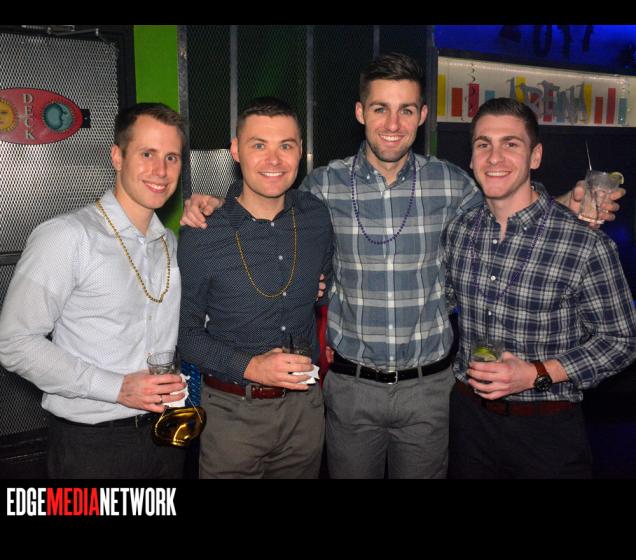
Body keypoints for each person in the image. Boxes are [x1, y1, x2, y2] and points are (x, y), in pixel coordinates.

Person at [180, 53, 625, 479]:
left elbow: (507, 207)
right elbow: (266, 203)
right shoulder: (322, 188)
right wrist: (217, 204)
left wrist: (565, 202)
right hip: (350, 390)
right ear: (361, 112)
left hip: (429, 392)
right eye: (381, 109)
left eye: (406, 110)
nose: (393, 125)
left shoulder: (452, 184)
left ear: (422, 115)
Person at [442, 97, 636, 478]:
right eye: (484, 144)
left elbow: (623, 340)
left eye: (511, 144)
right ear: (472, 158)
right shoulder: (459, 232)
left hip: (546, 431)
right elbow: (441, 300)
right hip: (469, 423)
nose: (494, 157)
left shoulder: (584, 243)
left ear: (535, 156)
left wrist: (536, 373)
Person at [0, 103, 188, 478]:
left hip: (166, 434)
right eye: (147, 154)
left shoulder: (168, 242)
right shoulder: (68, 236)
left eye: (172, 157)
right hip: (93, 446)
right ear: (117, 157)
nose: (161, 170)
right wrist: (116, 387)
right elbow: (14, 342)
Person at [177, 97, 333, 478]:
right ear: (236, 150)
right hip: (231, 416)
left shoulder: (316, 216)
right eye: (259, 145)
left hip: (305, 413)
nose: (274, 160)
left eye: (286, 146)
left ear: (300, 151)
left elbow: (326, 284)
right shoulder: (202, 232)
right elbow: (184, 335)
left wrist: (319, 289)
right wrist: (252, 367)